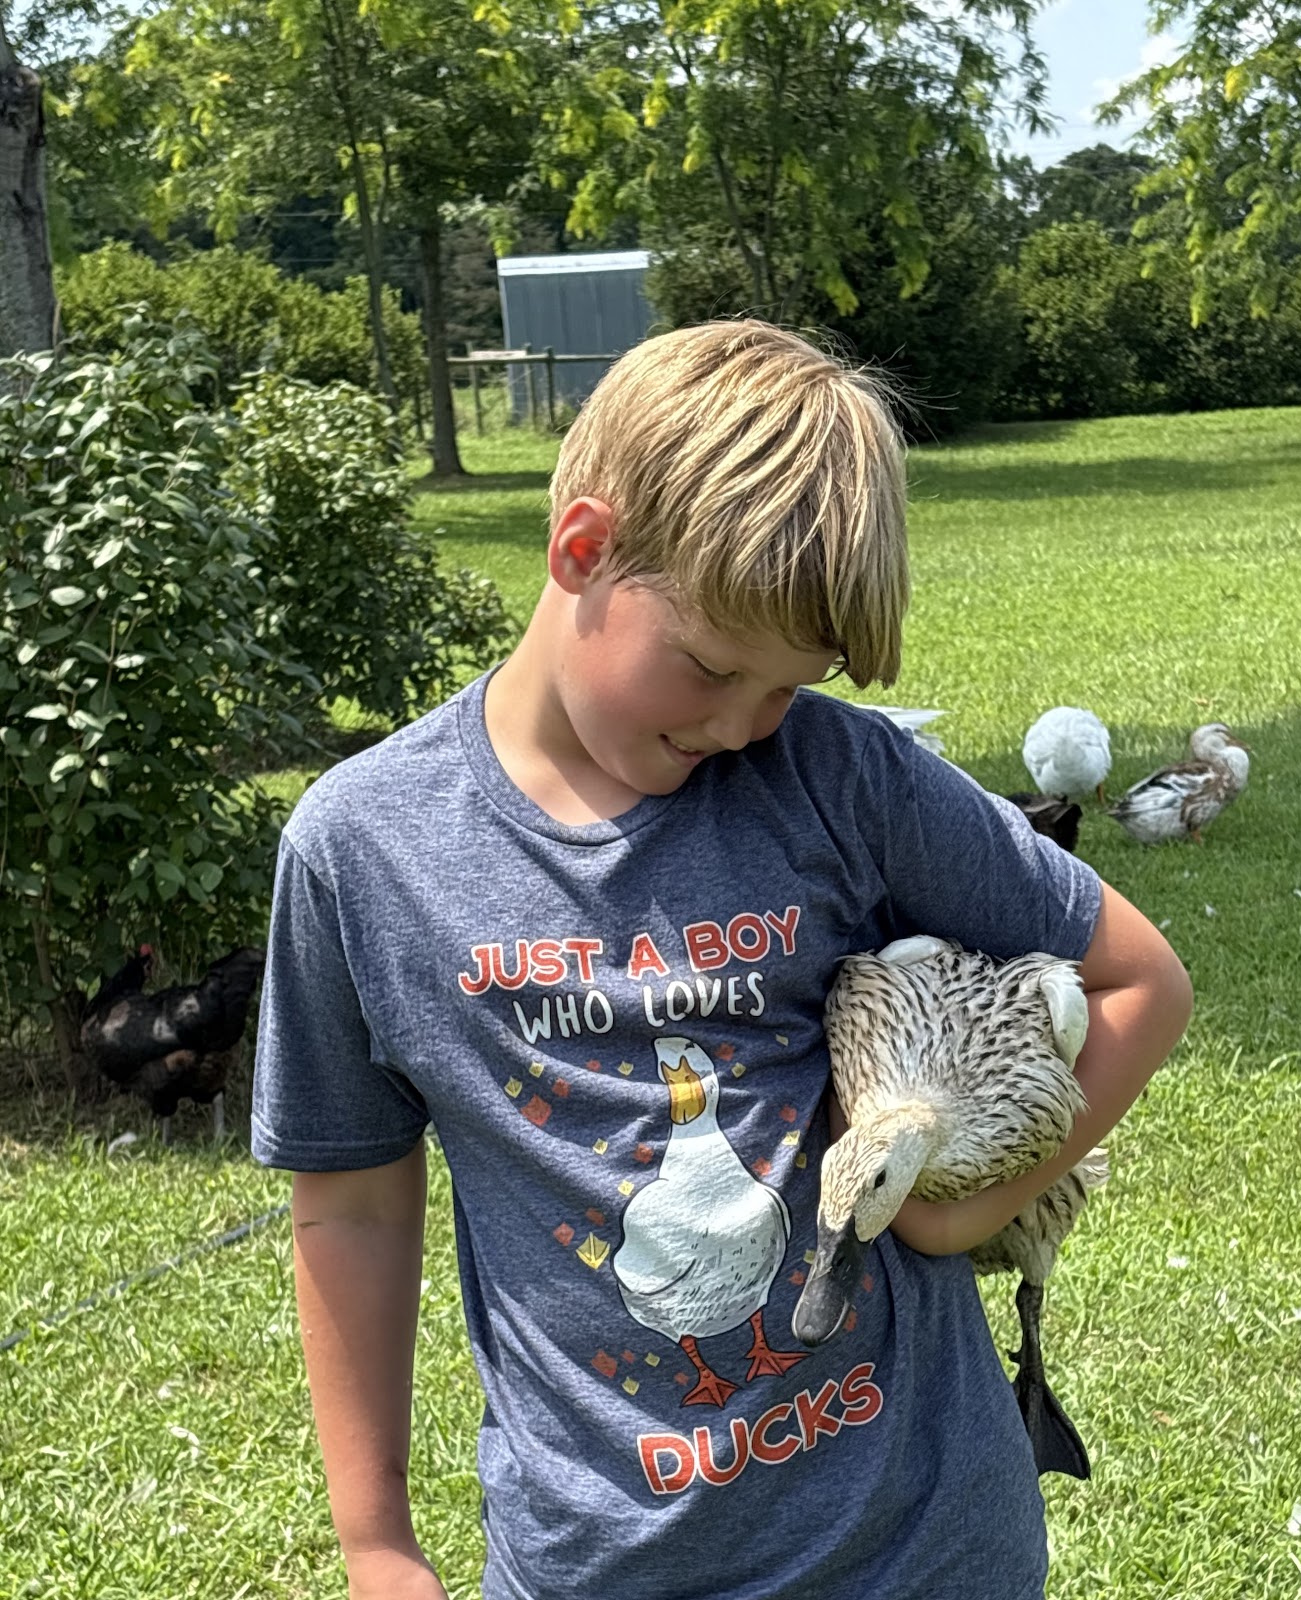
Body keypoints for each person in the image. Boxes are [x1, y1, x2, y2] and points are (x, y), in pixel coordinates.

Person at [252, 318, 1193, 1600]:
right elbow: (351, 1202)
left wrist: (952, 1212)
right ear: (583, 549)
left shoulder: (842, 778)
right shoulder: (365, 850)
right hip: (599, 1567)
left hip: (922, 1549)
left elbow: (1141, 980)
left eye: (784, 687)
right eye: (710, 667)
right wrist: (376, 1545)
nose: (744, 724)